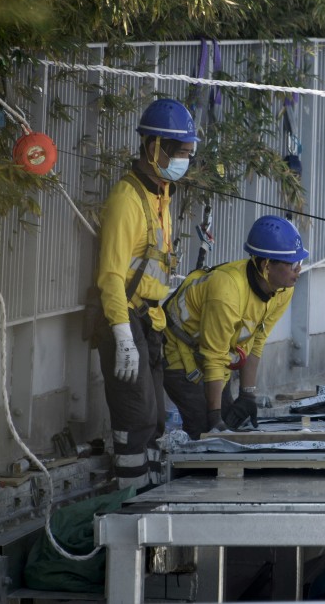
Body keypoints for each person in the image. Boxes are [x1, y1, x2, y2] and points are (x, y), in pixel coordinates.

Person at [95, 98, 198, 489]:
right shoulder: (127, 200)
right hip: (125, 320)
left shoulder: (161, 193)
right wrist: (122, 336)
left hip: (150, 321)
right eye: (181, 153)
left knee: (155, 420)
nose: (184, 161)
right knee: (135, 418)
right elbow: (110, 276)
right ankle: (128, 501)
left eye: (189, 153)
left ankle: (150, 494)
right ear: (156, 148)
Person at [162, 215, 307, 438]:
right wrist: (213, 417)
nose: (298, 270)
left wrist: (248, 395)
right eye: (293, 264)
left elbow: (257, 340)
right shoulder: (227, 290)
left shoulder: (283, 288)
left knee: (231, 423)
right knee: (204, 429)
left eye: (300, 263)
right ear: (267, 265)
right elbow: (213, 355)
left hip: (214, 357)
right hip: (179, 354)